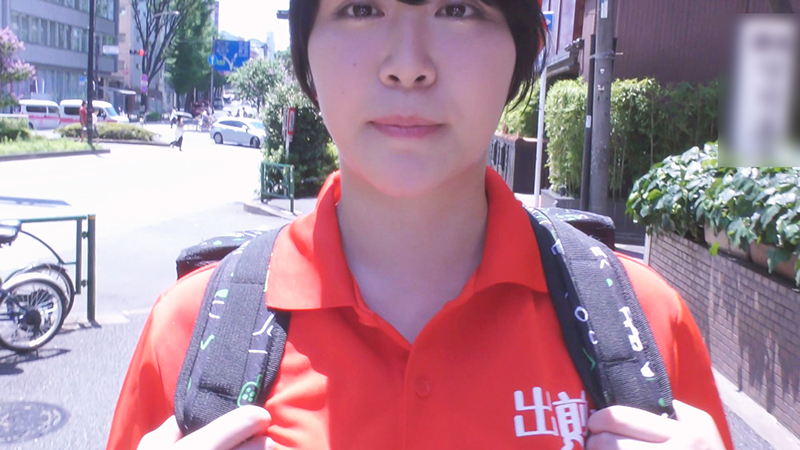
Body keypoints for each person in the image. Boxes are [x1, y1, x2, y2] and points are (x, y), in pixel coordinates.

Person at [108, 1, 735, 449]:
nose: (407, 66)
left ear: (524, 47)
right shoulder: (190, 335)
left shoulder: (644, 325)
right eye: (360, 8)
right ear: (305, 49)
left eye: (458, 9)